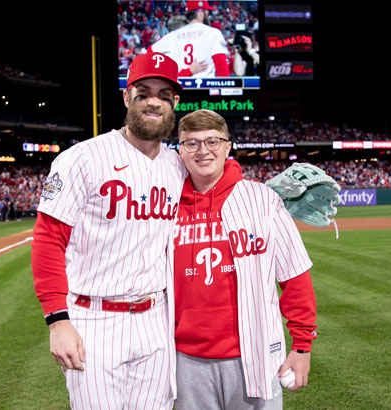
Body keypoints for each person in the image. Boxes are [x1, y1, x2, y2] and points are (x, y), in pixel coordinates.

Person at [31, 51, 187, 410]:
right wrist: (57, 321)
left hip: (156, 320)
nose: (154, 101)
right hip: (94, 319)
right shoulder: (82, 158)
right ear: (126, 96)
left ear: (175, 102)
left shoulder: (178, 166)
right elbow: (48, 240)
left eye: (164, 95)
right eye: (144, 91)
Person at [170, 109, 317, 409]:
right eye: (192, 143)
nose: (203, 151)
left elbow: (295, 275)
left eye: (212, 141)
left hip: (255, 353)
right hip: (185, 360)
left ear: (228, 146)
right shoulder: (167, 206)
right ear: (180, 151)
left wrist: (302, 346)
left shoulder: (262, 199)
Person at [150, 1, 230, 78]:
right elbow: (221, 65)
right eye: (206, 12)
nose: (208, 16)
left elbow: (150, 52)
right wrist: (225, 89)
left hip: (180, 87)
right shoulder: (213, 33)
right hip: (205, 87)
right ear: (200, 13)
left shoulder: (173, 35)